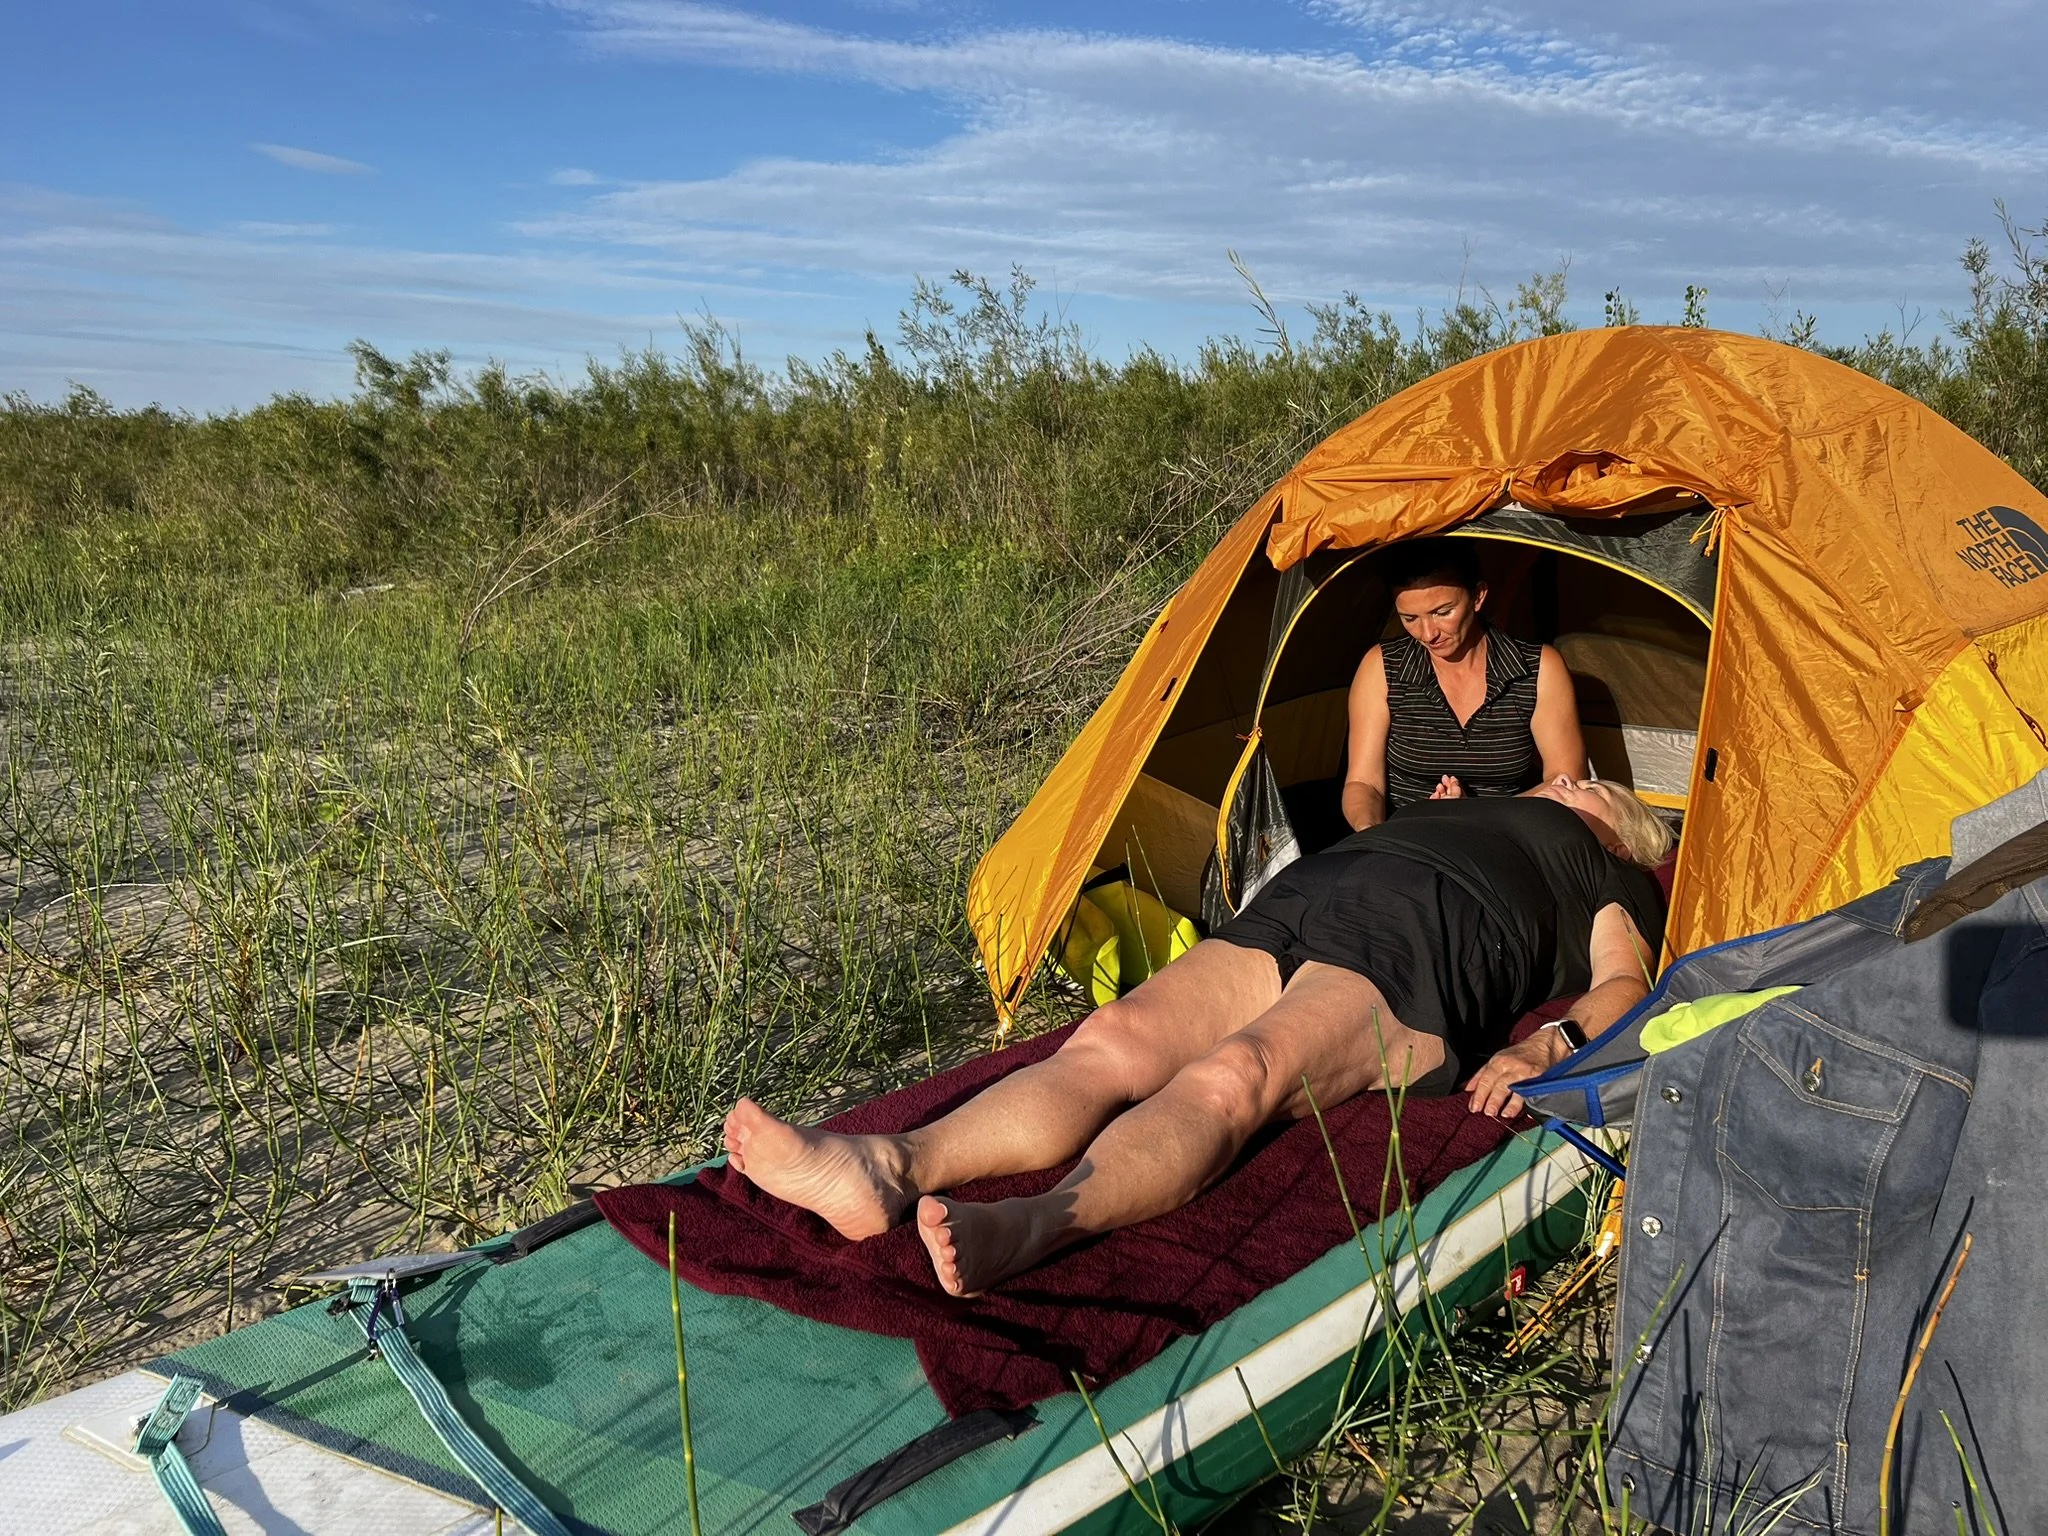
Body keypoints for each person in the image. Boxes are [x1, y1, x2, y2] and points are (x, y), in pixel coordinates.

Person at [722, 778, 1674, 1297]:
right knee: (1117, 1033)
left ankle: (1035, 1224)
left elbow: (1625, 983)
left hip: (1427, 936)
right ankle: (889, 1165)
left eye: (1589, 783)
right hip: (1322, 891)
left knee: (1237, 1072)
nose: (1570, 777)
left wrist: (1548, 1045)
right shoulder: (1484, 802)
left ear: (1617, 827)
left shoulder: (1606, 869)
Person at [1343, 539, 1587, 831]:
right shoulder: (1383, 666)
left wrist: (1471, 814)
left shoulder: (1538, 668)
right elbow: (1363, 782)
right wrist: (1374, 835)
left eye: (1443, 612)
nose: (1428, 633)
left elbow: (1565, 781)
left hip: (1508, 835)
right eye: (1410, 618)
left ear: (1478, 596)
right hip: (1408, 838)